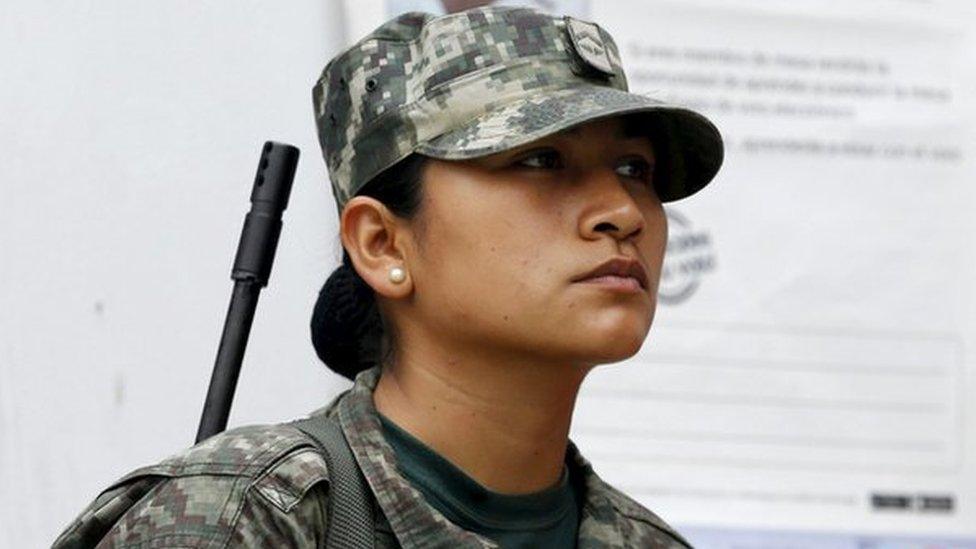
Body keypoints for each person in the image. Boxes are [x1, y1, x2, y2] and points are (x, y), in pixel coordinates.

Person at [53, 5, 722, 548]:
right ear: (381, 243)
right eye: (542, 159)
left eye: (635, 169)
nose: (623, 212)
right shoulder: (243, 521)